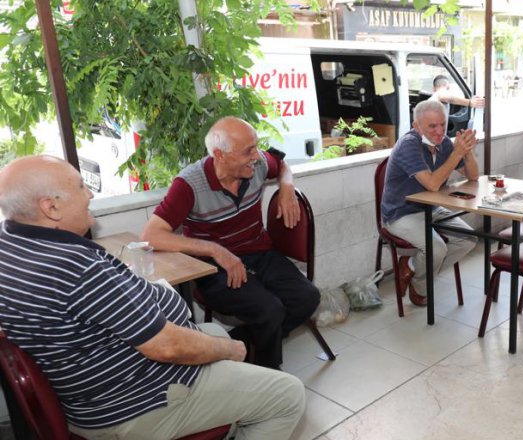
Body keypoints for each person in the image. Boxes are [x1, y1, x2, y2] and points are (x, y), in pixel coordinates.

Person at [0, 155, 304, 439]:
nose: (90, 194)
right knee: (287, 394)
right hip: (132, 404)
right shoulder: (76, 268)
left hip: (87, 392)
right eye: (81, 187)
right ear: (50, 208)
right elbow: (168, 346)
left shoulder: (10, 246)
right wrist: (232, 350)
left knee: (211, 331)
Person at [141, 116, 319, 370]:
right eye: (248, 151)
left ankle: (241, 346)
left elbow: (281, 165)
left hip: (259, 254)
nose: (256, 156)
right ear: (220, 155)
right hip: (215, 268)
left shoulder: (255, 167)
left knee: (308, 297)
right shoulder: (189, 184)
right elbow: (151, 235)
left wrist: (287, 186)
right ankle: (268, 371)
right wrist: (215, 250)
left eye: (256, 147)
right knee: (270, 310)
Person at [381, 100, 479, 306]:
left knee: (469, 239)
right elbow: (433, 185)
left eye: (443, 125)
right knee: (437, 249)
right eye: (432, 126)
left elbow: (473, 176)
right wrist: (457, 153)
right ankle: (421, 288)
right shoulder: (409, 144)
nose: (439, 131)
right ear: (417, 126)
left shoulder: (443, 144)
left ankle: (414, 269)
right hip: (400, 213)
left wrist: (467, 151)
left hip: (430, 208)